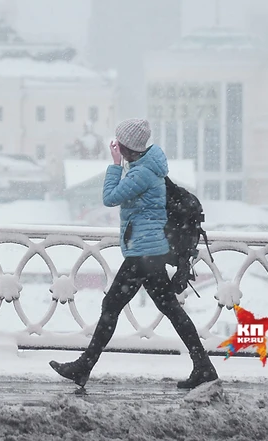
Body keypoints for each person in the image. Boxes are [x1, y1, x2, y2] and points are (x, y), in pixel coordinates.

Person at [49, 118, 217, 390]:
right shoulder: (149, 166)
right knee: (169, 308)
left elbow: (110, 197)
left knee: (111, 307)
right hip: (149, 250)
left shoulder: (142, 174)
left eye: (120, 143)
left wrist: (115, 164)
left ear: (127, 146)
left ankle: (84, 366)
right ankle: (204, 366)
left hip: (144, 253)